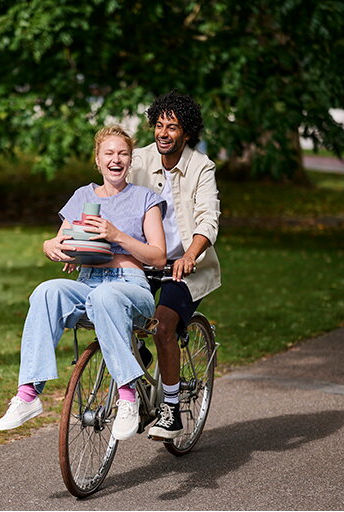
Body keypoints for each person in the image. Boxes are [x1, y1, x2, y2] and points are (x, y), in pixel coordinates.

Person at [0, 125, 167, 441]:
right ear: (98, 160)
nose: (116, 159)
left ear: (131, 161)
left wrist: (117, 236)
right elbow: (60, 240)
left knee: (106, 297)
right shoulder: (82, 197)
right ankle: (28, 394)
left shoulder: (146, 199)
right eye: (109, 153)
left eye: (123, 153)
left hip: (130, 287)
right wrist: (51, 247)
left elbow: (157, 257)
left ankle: (126, 397)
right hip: (89, 284)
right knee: (47, 290)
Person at [128, 91, 221, 440]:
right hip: (143, 259)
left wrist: (189, 255)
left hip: (186, 266)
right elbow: (112, 187)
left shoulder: (201, 167)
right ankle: (137, 366)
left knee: (164, 326)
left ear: (186, 133)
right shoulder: (138, 160)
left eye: (173, 127)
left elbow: (208, 220)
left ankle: (171, 409)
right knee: (114, 312)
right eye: (159, 125)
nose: (163, 133)